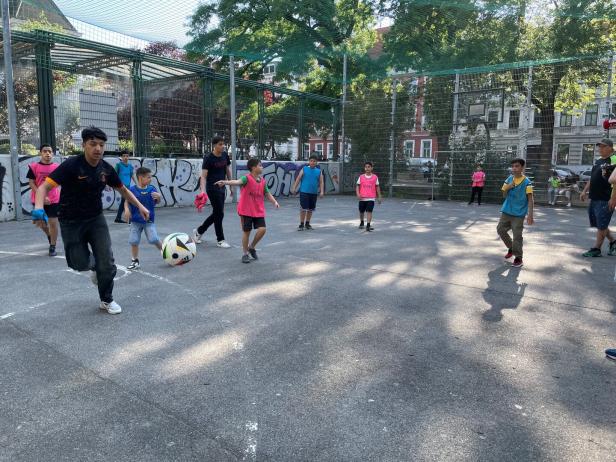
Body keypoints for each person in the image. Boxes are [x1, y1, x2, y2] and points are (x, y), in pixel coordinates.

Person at [31, 127, 150, 315]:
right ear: (84, 145)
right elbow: (43, 187)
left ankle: (106, 299)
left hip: (96, 219)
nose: (98, 149)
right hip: (70, 221)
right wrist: (38, 208)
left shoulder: (106, 169)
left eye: (101, 145)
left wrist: (140, 206)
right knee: (78, 263)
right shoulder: (72, 165)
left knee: (107, 263)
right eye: (93, 144)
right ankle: (94, 266)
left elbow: (124, 190)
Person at [216, 158, 279, 263]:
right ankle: (245, 254)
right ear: (254, 168)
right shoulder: (246, 178)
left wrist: (274, 202)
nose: (262, 167)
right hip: (246, 210)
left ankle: (252, 247)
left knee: (262, 229)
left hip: (258, 210)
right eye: (260, 165)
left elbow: (267, 193)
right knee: (247, 232)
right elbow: (237, 182)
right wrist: (225, 182)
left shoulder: (262, 181)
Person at [193, 136, 232, 248]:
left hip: (222, 187)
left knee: (217, 213)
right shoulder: (209, 158)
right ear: (214, 145)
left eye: (223, 144)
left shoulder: (225, 155)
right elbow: (203, 176)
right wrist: (203, 191)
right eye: (220, 144)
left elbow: (227, 170)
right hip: (212, 188)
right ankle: (220, 240)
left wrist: (230, 184)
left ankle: (199, 231)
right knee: (219, 213)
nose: (223, 146)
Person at [580, 138, 616, 257]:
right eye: (599, 146)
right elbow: (592, 177)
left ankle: (597, 249)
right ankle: (613, 242)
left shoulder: (614, 159)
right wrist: (584, 191)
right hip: (594, 197)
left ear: (610, 148)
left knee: (601, 224)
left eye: (603, 146)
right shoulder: (598, 161)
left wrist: (613, 198)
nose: (600, 149)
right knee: (599, 224)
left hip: (606, 198)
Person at [496, 158, 534, 268]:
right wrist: (508, 187)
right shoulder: (509, 179)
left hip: (519, 214)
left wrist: (530, 215)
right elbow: (504, 195)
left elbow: (530, 199)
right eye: (513, 166)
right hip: (506, 211)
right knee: (500, 230)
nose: (514, 168)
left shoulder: (527, 182)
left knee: (517, 235)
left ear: (522, 167)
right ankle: (511, 248)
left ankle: (518, 258)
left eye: (517, 166)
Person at [123, 167, 162, 270]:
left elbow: (157, 202)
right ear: (141, 177)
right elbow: (126, 201)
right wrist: (126, 209)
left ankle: (166, 252)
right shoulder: (132, 190)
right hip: (135, 220)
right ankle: (135, 261)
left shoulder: (152, 189)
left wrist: (159, 198)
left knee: (153, 239)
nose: (151, 179)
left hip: (148, 220)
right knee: (134, 240)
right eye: (148, 177)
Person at [27, 144, 60, 256]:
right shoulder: (34, 167)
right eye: (45, 151)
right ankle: (49, 235)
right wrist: (41, 196)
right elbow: (31, 183)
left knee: (53, 223)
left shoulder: (57, 167)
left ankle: (52, 246)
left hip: (53, 199)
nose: (48, 153)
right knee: (40, 223)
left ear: (53, 154)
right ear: (40, 153)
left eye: (50, 152)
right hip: (38, 199)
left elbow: (61, 182)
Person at [291, 154, 324, 230]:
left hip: (313, 193)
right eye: (311, 161)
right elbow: (298, 179)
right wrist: (294, 188)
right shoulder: (304, 169)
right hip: (304, 192)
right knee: (303, 208)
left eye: (314, 161)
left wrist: (322, 191)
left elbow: (321, 182)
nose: (312, 162)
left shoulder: (319, 171)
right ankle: (301, 224)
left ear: (317, 162)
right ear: (309, 162)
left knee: (310, 209)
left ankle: (307, 224)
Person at [356, 161, 382, 231]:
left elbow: (377, 187)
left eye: (369, 167)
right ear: (364, 168)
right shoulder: (361, 177)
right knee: (361, 211)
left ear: (371, 168)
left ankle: (368, 225)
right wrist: (358, 194)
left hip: (371, 198)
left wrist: (379, 196)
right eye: (366, 167)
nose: (367, 168)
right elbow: (357, 186)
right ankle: (362, 222)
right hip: (362, 198)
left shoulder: (375, 177)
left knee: (369, 211)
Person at [114, 150, 135, 223]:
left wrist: (137, 183)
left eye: (127, 156)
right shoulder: (118, 165)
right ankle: (130, 219)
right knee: (127, 200)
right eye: (124, 156)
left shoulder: (130, 166)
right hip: (121, 187)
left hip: (128, 187)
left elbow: (132, 175)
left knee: (124, 201)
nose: (125, 157)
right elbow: (114, 175)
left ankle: (118, 218)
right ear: (121, 157)